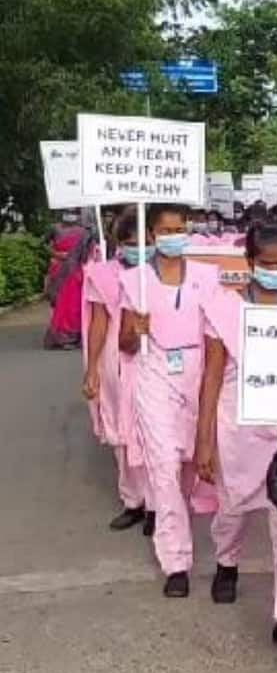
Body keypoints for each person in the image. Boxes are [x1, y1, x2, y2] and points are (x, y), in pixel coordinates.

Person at [192, 222, 277, 665]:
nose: (274, 271)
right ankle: (227, 563)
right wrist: (203, 440)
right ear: (248, 264)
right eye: (266, 264)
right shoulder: (224, 310)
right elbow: (211, 377)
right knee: (233, 508)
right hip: (238, 427)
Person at [119, 203, 219, 598]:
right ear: (151, 235)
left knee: (194, 464)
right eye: (165, 230)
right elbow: (125, 343)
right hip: (155, 370)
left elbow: (218, 334)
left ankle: (190, 519)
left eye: (180, 229)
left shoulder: (207, 276)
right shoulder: (136, 281)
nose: (173, 236)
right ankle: (176, 561)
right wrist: (136, 330)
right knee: (163, 467)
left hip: (198, 370)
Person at [81, 209, 151, 532]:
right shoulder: (103, 275)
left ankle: (158, 506)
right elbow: (98, 323)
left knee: (153, 431)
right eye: (131, 243)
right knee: (123, 432)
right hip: (116, 359)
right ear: (118, 243)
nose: (139, 249)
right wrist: (92, 369)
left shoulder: (161, 272)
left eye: (144, 242)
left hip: (154, 357)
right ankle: (133, 501)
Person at [44, 210, 95, 350]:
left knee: (75, 304)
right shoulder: (55, 228)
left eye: (73, 212)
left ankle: (76, 336)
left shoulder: (84, 232)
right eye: (67, 211)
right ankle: (61, 335)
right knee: (58, 302)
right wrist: (55, 253)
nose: (70, 214)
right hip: (58, 268)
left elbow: (89, 252)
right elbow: (43, 244)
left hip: (76, 271)